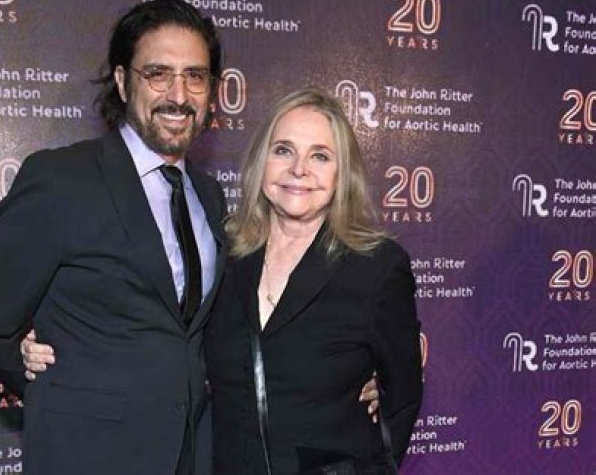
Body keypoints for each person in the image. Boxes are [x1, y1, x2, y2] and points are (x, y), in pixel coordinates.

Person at [22, 88, 421, 474]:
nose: (299, 169)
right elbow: (159, 331)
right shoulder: (221, 250)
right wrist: (53, 340)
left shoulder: (377, 266)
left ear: (342, 173)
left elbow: (403, 398)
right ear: (262, 162)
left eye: (320, 156)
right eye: (283, 150)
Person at [0, 0, 228, 474]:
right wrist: (48, 384)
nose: (179, 95)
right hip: (87, 454)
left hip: (190, 454)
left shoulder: (208, 194)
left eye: (195, 76)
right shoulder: (62, 180)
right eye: (157, 74)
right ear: (122, 81)